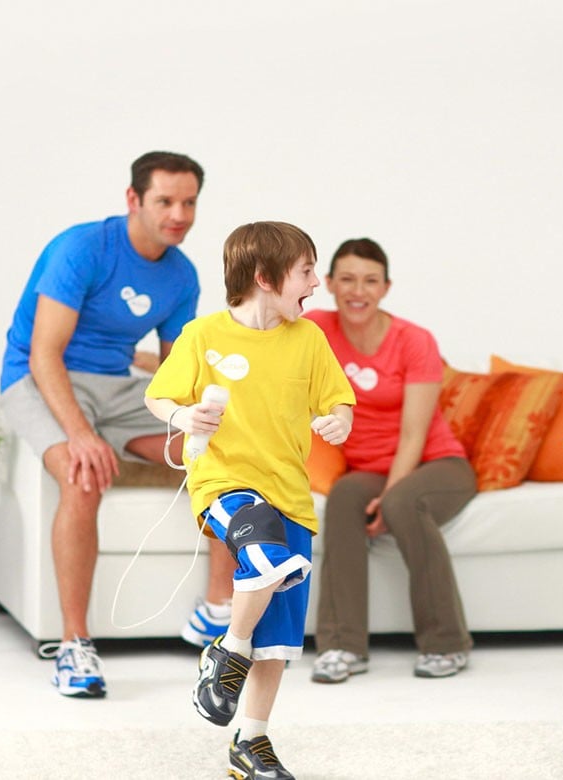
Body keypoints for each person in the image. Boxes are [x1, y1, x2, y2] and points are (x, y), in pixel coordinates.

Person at [0, 150, 234, 697]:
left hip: (119, 388)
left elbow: (175, 372)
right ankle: (74, 646)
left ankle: (216, 611)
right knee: (83, 476)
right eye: (165, 201)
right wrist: (82, 435)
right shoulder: (83, 248)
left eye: (189, 203)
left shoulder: (182, 274)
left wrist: (201, 419)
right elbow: (44, 354)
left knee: (221, 456)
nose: (179, 215)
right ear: (133, 199)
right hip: (40, 378)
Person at [145, 221, 355, 780]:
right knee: (264, 554)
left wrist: (338, 421)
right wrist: (183, 415)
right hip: (225, 483)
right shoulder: (202, 335)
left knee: (279, 641)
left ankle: (251, 741)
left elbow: (338, 401)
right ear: (265, 277)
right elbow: (159, 394)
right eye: (306, 272)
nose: (316, 283)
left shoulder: (308, 340)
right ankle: (228, 649)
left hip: (291, 495)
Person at [305, 238, 477, 682]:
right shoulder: (315, 330)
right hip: (368, 469)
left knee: (403, 503)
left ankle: (447, 644)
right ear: (328, 283)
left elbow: (415, 434)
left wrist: (389, 496)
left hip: (436, 465)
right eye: (347, 279)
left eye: (370, 281)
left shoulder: (413, 341)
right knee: (344, 496)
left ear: (385, 288)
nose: (357, 291)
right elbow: (260, 337)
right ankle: (342, 646)